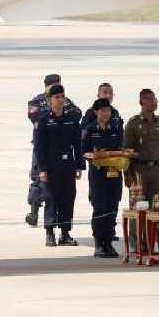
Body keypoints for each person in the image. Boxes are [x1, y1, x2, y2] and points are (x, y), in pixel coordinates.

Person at [34, 84, 84, 247]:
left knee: (68, 198)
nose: (60, 100)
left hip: (67, 164)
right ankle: (50, 232)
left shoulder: (71, 119)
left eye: (62, 97)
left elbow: (77, 143)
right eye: (57, 97)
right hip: (51, 165)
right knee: (51, 198)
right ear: (50, 100)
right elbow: (39, 147)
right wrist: (42, 169)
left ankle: (65, 232)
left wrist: (79, 165)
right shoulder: (44, 119)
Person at [25, 74, 75, 227]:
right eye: (52, 85)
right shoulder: (36, 101)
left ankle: (57, 218)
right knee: (37, 178)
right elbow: (35, 117)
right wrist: (55, 111)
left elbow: (76, 113)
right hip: (42, 146)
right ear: (45, 86)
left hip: (60, 147)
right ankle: (34, 211)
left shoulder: (64, 100)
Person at [81, 97, 123, 258]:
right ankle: (99, 244)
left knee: (112, 208)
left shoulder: (115, 128)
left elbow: (121, 147)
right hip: (98, 175)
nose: (106, 113)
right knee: (100, 208)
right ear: (96, 112)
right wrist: (94, 155)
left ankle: (109, 244)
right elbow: (83, 151)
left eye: (108, 110)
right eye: (103, 110)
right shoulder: (90, 129)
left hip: (115, 173)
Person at [123, 89, 159, 208]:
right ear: (142, 102)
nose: (154, 102)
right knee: (138, 206)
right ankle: (136, 228)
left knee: (155, 207)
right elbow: (126, 151)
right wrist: (127, 174)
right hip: (138, 171)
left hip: (156, 170)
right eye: (150, 99)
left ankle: (153, 228)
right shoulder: (133, 123)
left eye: (155, 99)